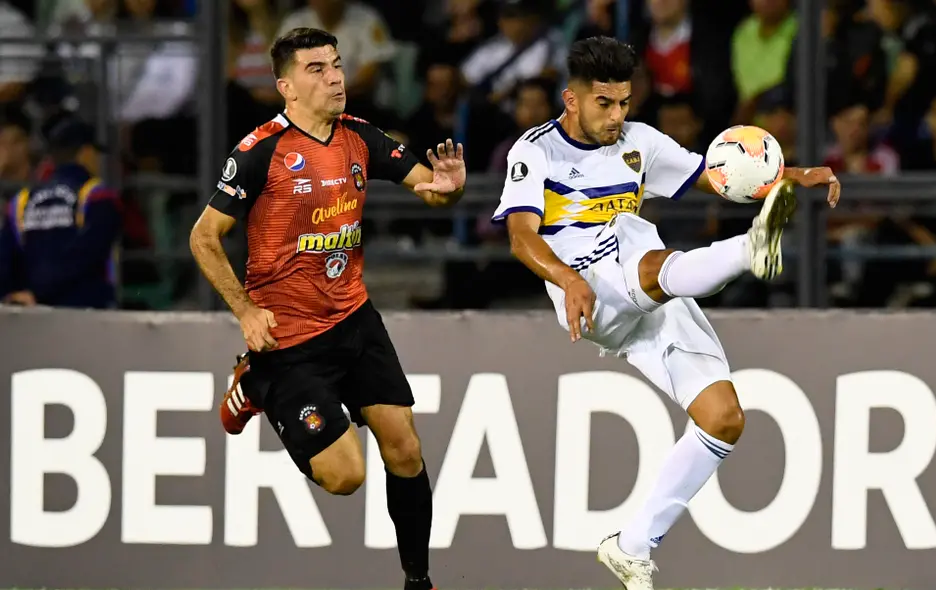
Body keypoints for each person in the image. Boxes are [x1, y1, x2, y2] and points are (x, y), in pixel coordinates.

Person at [491, 36, 840, 590]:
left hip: (646, 286)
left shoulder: (640, 142)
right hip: (586, 288)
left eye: (624, 102)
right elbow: (519, 236)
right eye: (604, 104)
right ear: (571, 99)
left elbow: (715, 175)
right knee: (645, 248)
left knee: (724, 419)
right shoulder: (535, 152)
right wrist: (566, 279)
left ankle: (631, 546)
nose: (617, 115)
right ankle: (750, 249)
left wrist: (793, 176)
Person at [188, 27, 466, 590]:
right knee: (345, 478)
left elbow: (432, 189)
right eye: (317, 69)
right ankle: (254, 384)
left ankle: (419, 581)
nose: (335, 77)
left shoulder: (361, 137)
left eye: (337, 65)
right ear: (286, 86)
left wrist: (450, 187)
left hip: (353, 317)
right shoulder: (259, 151)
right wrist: (244, 311)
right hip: (287, 340)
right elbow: (203, 238)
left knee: (405, 447)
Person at [0, 117, 121, 308]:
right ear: (85, 153)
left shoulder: (21, 201)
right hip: (88, 312)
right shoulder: (96, 195)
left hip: (31, 313)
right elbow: (88, 254)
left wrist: (18, 295)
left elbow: (5, 259)